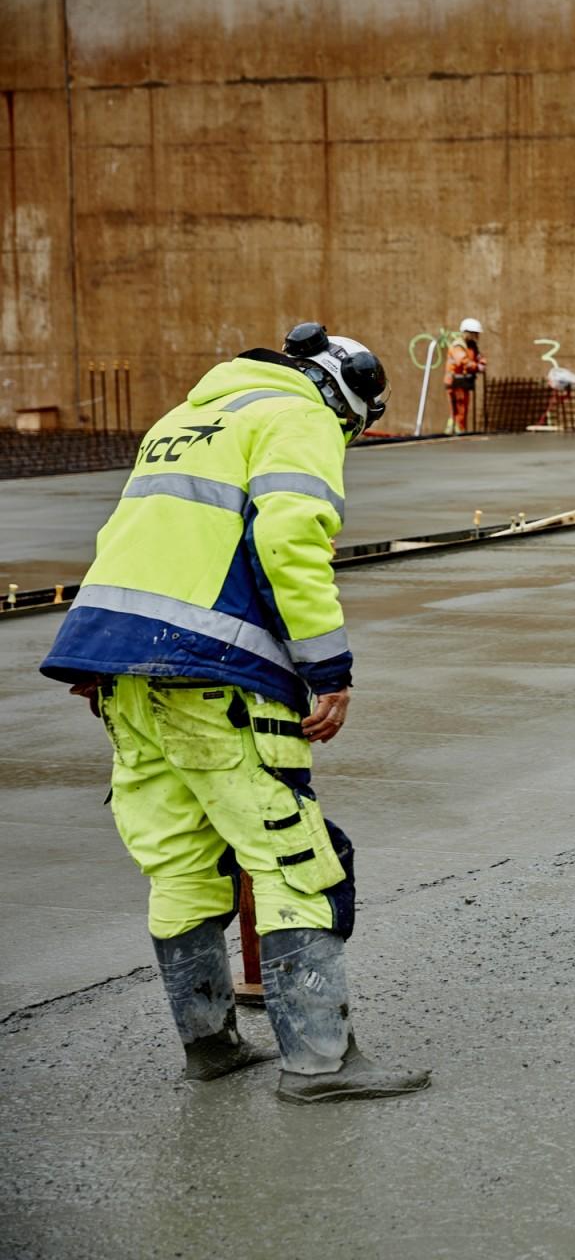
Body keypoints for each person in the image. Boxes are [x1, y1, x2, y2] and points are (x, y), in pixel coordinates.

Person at [40, 323, 432, 1103]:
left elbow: (131, 538)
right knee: (293, 858)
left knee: (180, 861)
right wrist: (329, 670)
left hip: (129, 673)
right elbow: (289, 539)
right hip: (217, 677)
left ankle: (210, 1046)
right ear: (343, 395)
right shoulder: (298, 417)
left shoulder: (185, 421)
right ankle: (320, 1062)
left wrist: (103, 653)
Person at [445, 317, 486, 433]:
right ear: (469, 333)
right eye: (476, 334)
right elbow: (463, 361)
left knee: (460, 409)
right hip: (455, 382)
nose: (477, 336)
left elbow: (480, 358)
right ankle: (458, 430)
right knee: (459, 408)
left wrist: (481, 364)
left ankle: (457, 430)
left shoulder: (472, 346)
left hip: (463, 382)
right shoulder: (458, 346)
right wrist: (477, 367)